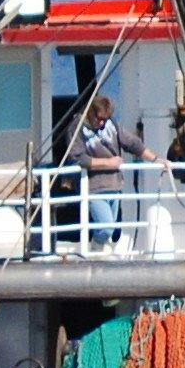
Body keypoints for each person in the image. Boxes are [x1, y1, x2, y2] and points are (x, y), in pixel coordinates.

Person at [69, 94, 140, 253]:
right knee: (107, 227)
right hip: (94, 186)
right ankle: (95, 246)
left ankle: (100, 254)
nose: (102, 123)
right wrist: (109, 163)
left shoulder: (111, 124)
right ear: (91, 113)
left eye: (105, 119)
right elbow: (78, 157)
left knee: (111, 226)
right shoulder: (78, 126)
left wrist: (157, 159)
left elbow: (133, 143)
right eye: (99, 119)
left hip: (114, 184)